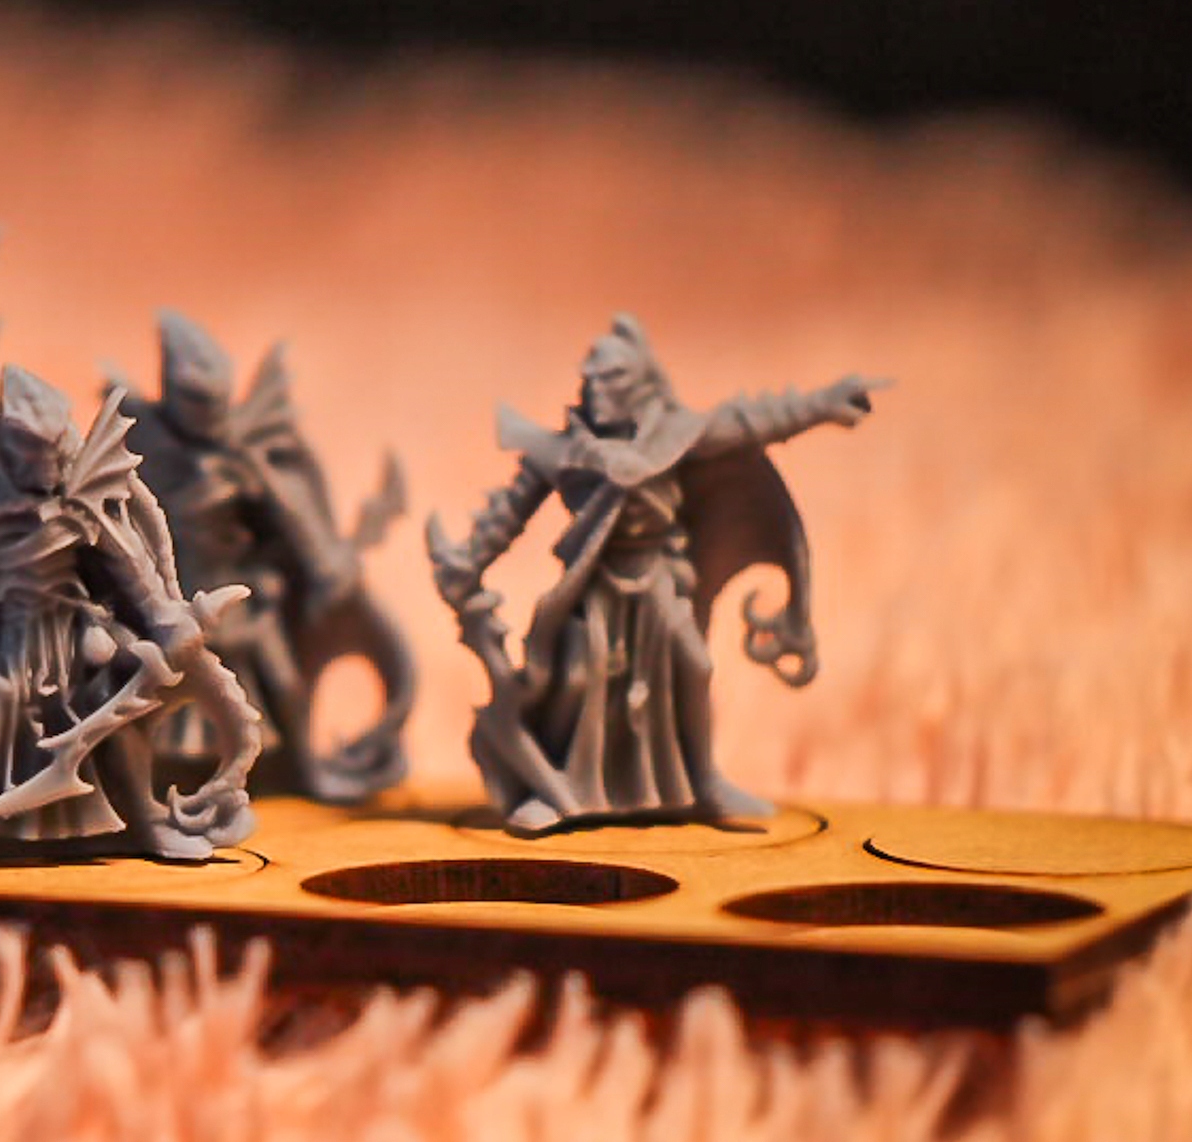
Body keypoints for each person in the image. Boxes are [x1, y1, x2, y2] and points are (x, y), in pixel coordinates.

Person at [429, 314, 884, 834]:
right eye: (591, 379)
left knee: (694, 664)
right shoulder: (563, 451)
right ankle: (555, 791)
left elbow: (752, 420)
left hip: (658, 578)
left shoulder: (677, 437)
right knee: (577, 678)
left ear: (641, 383)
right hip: (591, 587)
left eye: (612, 379)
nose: (597, 390)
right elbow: (509, 513)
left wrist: (822, 405)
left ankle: (703, 782)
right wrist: (469, 560)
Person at [0, 365, 261, 874]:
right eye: (31, 453)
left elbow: (129, 565)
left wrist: (164, 620)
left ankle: (144, 822)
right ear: (9, 451)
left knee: (115, 721)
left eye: (50, 451)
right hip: (16, 634)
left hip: (79, 632)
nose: (43, 465)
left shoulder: (83, 494)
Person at [121, 312, 414, 803]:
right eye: (197, 401)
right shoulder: (142, 445)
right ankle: (143, 791)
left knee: (283, 684)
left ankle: (301, 771)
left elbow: (290, 513)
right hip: (174, 604)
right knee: (154, 701)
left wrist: (319, 560)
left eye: (216, 402)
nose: (209, 415)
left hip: (242, 598)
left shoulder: (249, 447)